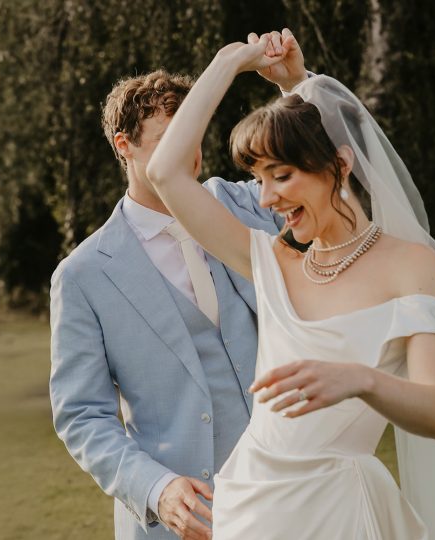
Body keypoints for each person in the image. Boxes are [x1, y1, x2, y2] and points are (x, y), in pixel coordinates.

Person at [146, 32, 435, 539]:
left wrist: (360, 380)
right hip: (250, 511)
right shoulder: (270, 262)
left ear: (340, 166)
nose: (265, 199)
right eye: (259, 179)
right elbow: (165, 173)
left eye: (281, 176)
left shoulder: (411, 267)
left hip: (339, 511)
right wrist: (230, 62)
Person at [49, 31, 307, 540]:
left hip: (284, 498)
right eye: (170, 140)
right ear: (124, 147)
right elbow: (82, 415)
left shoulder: (241, 203)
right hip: (179, 523)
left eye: (193, 134)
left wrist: (293, 86)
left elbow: (327, 166)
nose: (189, 155)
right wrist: (156, 489)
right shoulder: (82, 275)